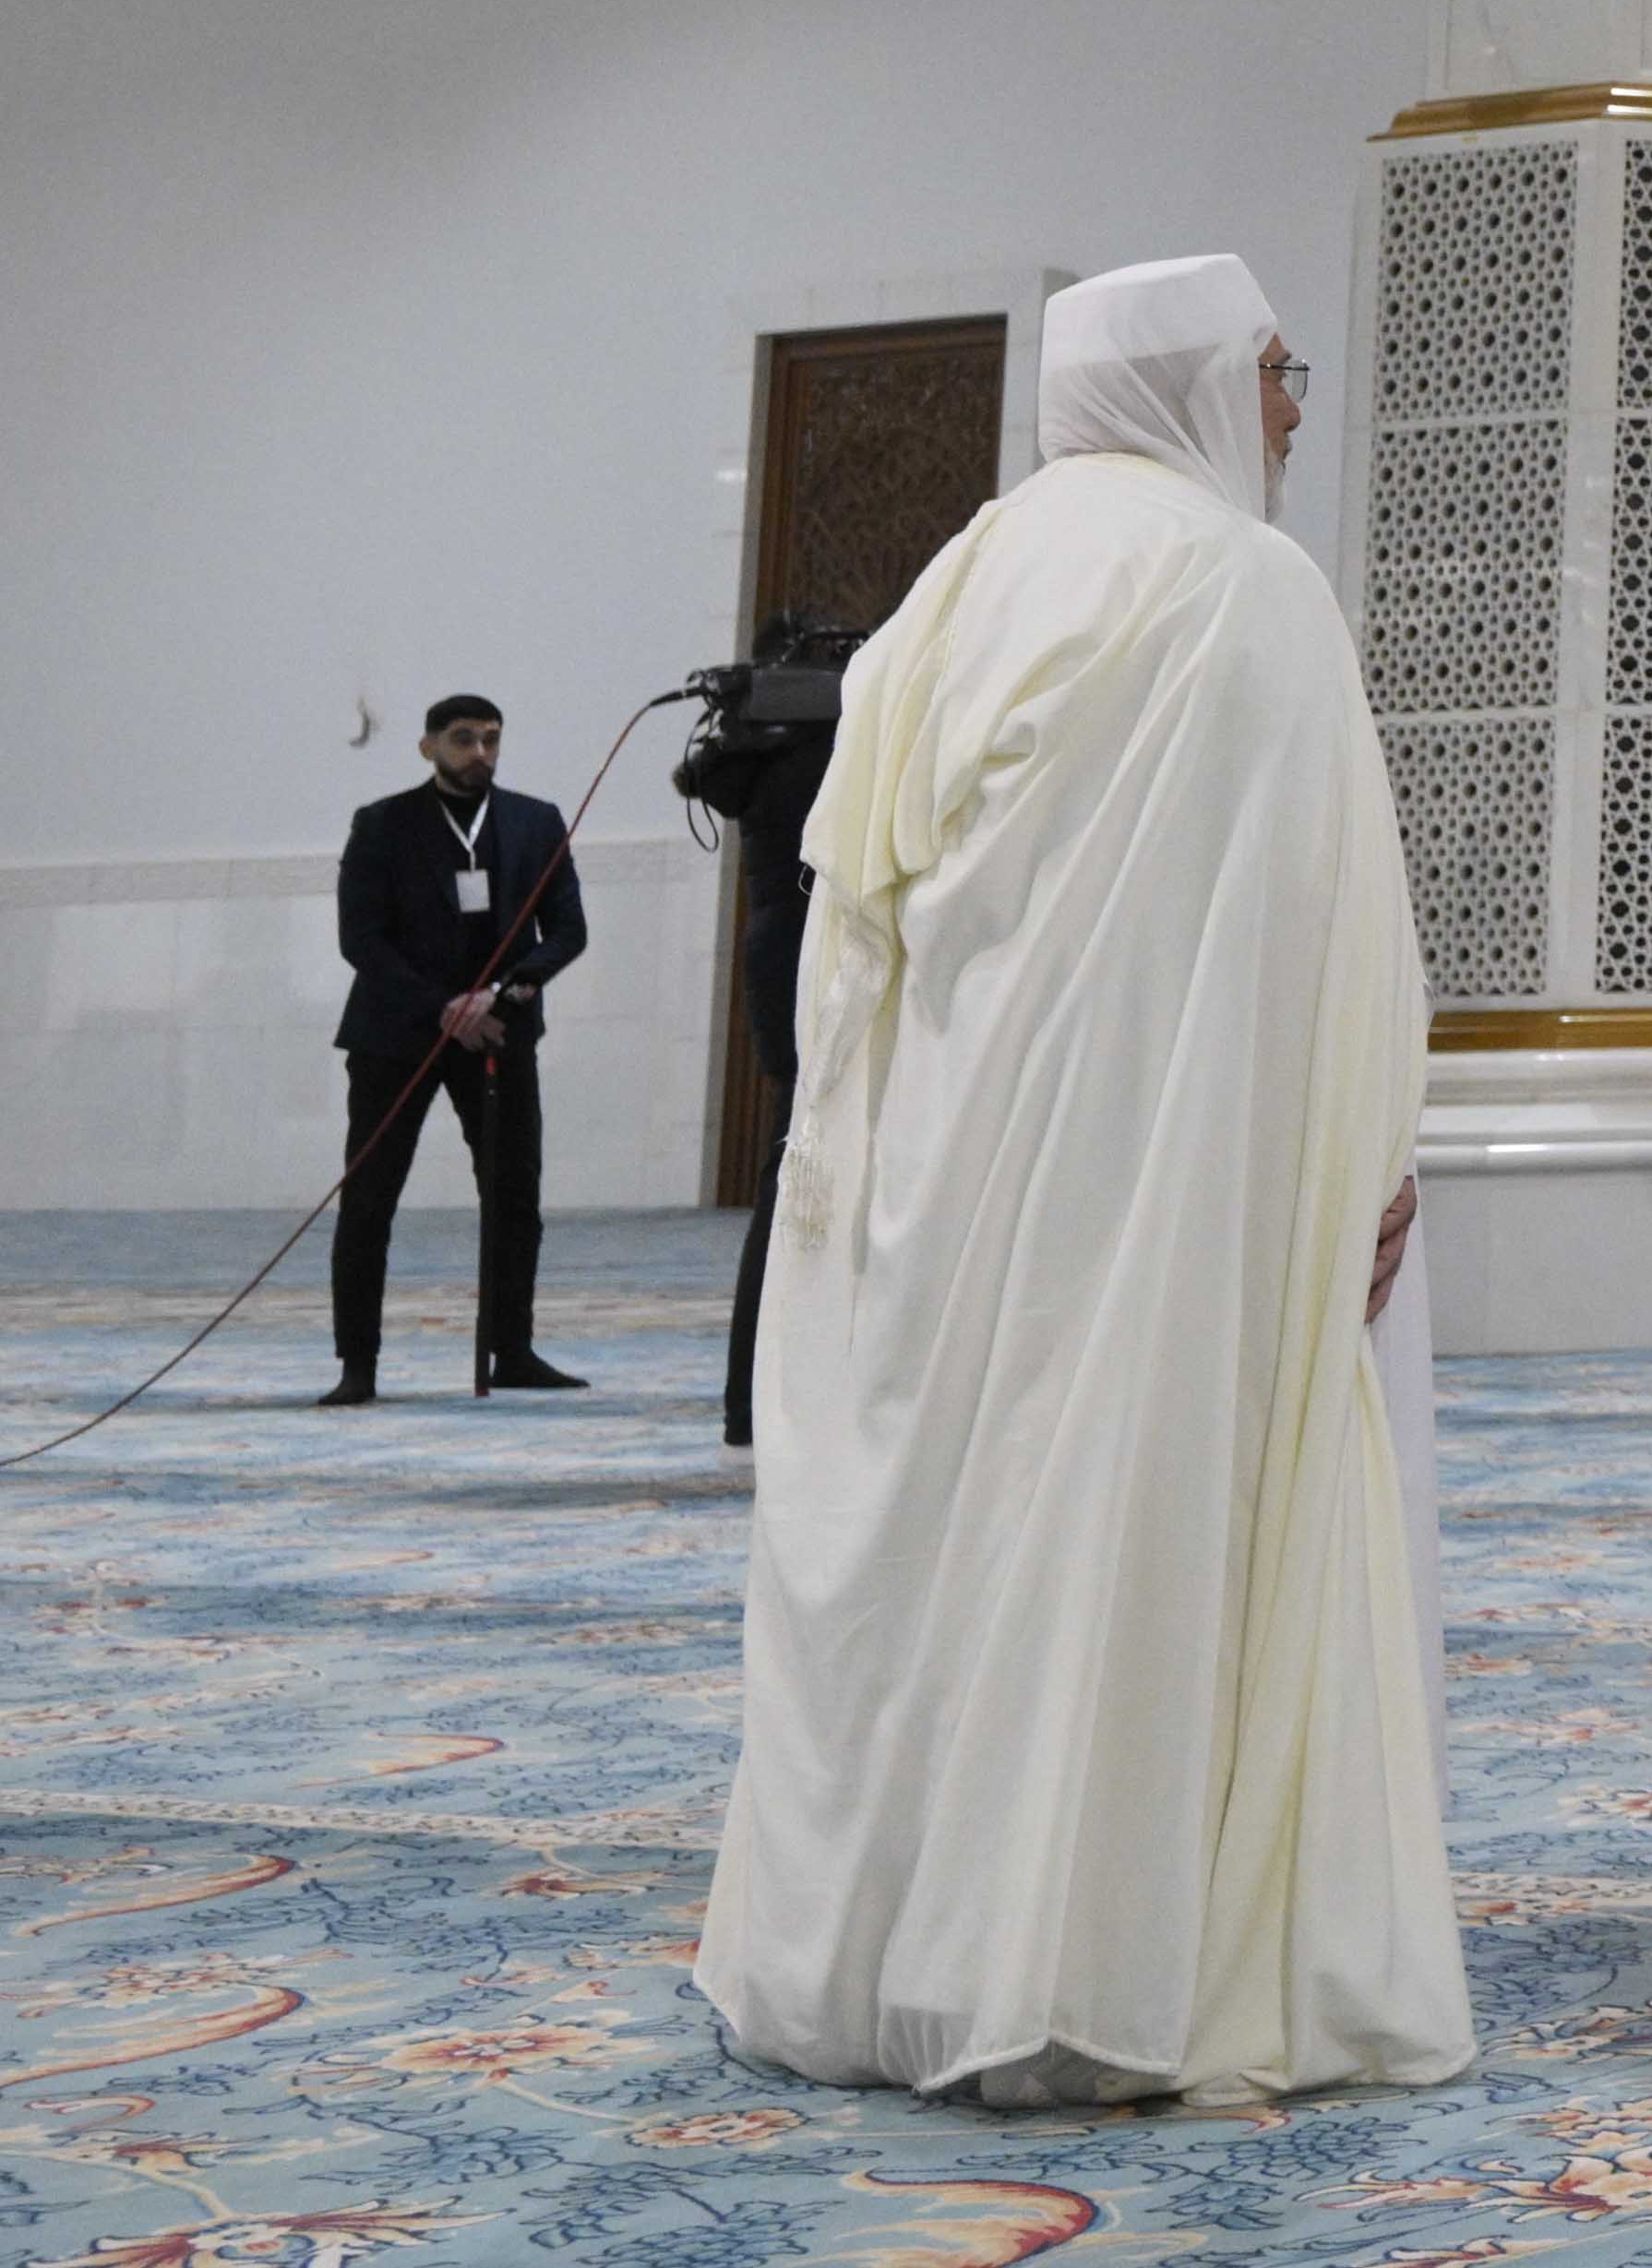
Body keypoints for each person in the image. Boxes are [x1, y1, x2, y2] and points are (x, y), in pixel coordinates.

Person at [694, 255, 1470, 2109]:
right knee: (1130, 1523)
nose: (1294, 406)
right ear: (1201, 380)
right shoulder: (1243, 587)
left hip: (945, 1172)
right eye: (1281, 368)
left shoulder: (957, 581)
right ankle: (1099, 1958)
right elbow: (1320, 921)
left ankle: (902, 1951)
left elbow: (852, 933)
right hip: (1173, 1177)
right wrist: (1363, 1148)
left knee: (956, 1533)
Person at [327, 693, 583, 1403]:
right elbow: (362, 939)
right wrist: (443, 1007)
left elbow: (567, 931)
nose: (479, 753)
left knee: (513, 1194)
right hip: (397, 1036)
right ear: (428, 746)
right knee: (370, 1198)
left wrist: (499, 994)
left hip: (498, 1030)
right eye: (463, 738)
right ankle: (358, 1364)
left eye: (491, 739)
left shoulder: (536, 822)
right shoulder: (382, 825)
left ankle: (514, 1349)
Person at [671, 615, 844, 1449]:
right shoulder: (833, 739)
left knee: (786, 1164)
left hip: (779, 949)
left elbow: (701, 777)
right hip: (820, 952)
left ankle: (750, 1401)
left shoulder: (755, 746)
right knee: (794, 1168)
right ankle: (765, 1397)